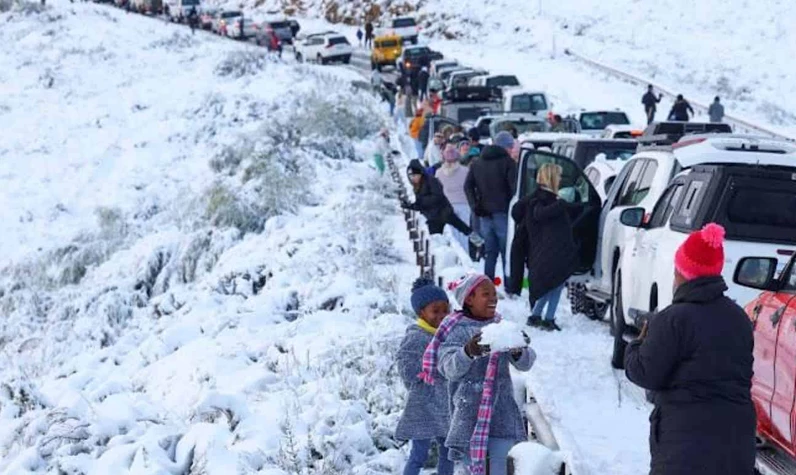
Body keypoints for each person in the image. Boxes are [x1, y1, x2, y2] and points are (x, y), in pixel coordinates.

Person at [624, 223, 755, 475]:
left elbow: (646, 373)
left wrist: (636, 345)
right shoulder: (739, 318)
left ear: (683, 274)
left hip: (684, 449)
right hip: (736, 443)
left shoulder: (673, 319)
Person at [420, 274, 534, 475]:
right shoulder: (456, 329)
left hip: (502, 411)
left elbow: (526, 363)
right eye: (486, 294)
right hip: (468, 415)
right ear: (469, 299)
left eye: (494, 294)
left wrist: (518, 350)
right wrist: (468, 352)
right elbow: (448, 368)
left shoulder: (501, 327)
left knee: (501, 467)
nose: (493, 299)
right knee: (473, 469)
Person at [396, 278, 454, 475]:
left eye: (445, 310)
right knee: (419, 454)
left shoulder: (447, 334)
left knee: (448, 451)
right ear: (422, 312)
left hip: (445, 404)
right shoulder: (417, 336)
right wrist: (420, 378)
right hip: (423, 406)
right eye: (435, 311)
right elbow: (405, 364)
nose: (441, 315)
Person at [510, 164, 578, 331]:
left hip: (548, 251)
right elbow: (540, 214)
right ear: (552, 178)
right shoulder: (542, 201)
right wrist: (562, 204)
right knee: (554, 283)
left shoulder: (537, 199)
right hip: (551, 252)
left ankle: (541, 315)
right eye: (559, 176)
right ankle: (542, 317)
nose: (561, 179)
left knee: (555, 284)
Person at [464, 131, 517, 281]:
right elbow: (514, 188)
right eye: (510, 146)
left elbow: (467, 187)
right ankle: (509, 285)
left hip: (484, 214)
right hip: (503, 213)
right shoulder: (508, 163)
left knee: (490, 252)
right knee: (506, 251)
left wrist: (475, 206)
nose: (512, 150)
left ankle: (488, 284)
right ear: (505, 147)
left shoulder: (477, 163)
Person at [402, 160, 484, 247]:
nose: (413, 178)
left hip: (444, 212)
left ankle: (480, 246)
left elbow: (437, 196)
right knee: (437, 241)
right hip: (433, 217)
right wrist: (410, 206)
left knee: (464, 229)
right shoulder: (417, 186)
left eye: (414, 175)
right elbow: (421, 205)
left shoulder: (431, 180)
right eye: (410, 176)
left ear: (420, 173)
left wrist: (421, 202)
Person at [436, 146, 471, 250]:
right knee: (464, 233)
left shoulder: (438, 173)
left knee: (453, 234)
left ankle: (456, 257)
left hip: (447, 205)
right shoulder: (465, 171)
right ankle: (466, 257)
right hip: (464, 204)